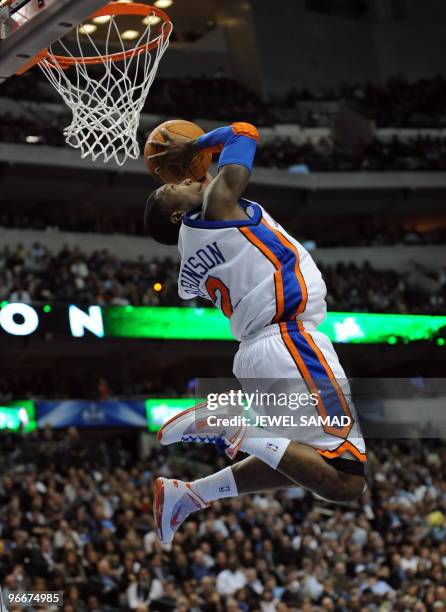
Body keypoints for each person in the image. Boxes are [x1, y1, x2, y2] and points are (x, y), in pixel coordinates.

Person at [144, 122, 366, 545]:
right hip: (289, 340)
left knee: (305, 459)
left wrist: (194, 168)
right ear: (177, 214)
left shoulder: (194, 242)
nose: (183, 180)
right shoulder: (214, 207)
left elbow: (210, 184)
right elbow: (243, 134)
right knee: (346, 477)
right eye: (170, 187)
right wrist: (199, 143)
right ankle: (232, 426)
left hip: (261, 351)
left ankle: (191, 494)